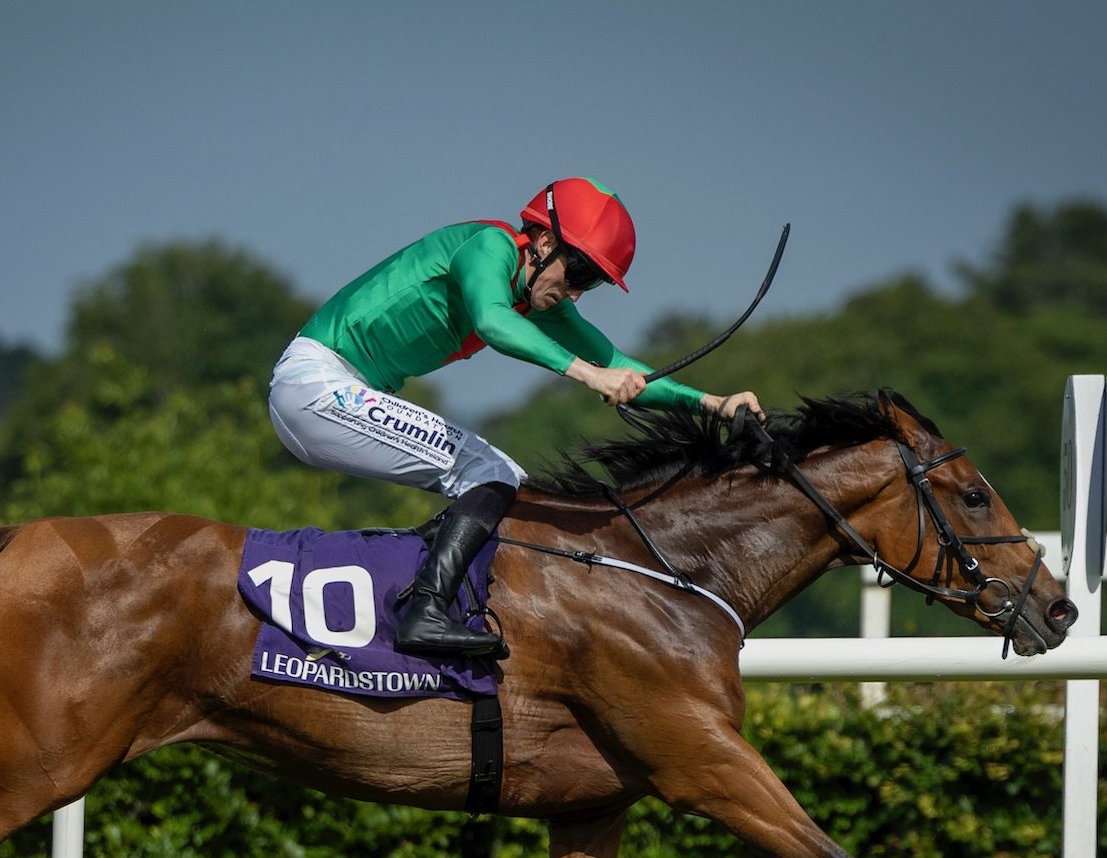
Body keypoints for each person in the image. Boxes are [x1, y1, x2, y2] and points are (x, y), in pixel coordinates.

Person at [268, 177, 764, 659]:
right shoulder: (489, 247)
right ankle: (424, 611)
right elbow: (491, 320)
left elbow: (618, 364)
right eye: (581, 273)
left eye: (592, 284)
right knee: (490, 473)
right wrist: (588, 377)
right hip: (317, 384)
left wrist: (713, 405)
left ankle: (415, 596)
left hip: (337, 391)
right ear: (544, 241)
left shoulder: (536, 300)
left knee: (502, 481)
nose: (577, 294)